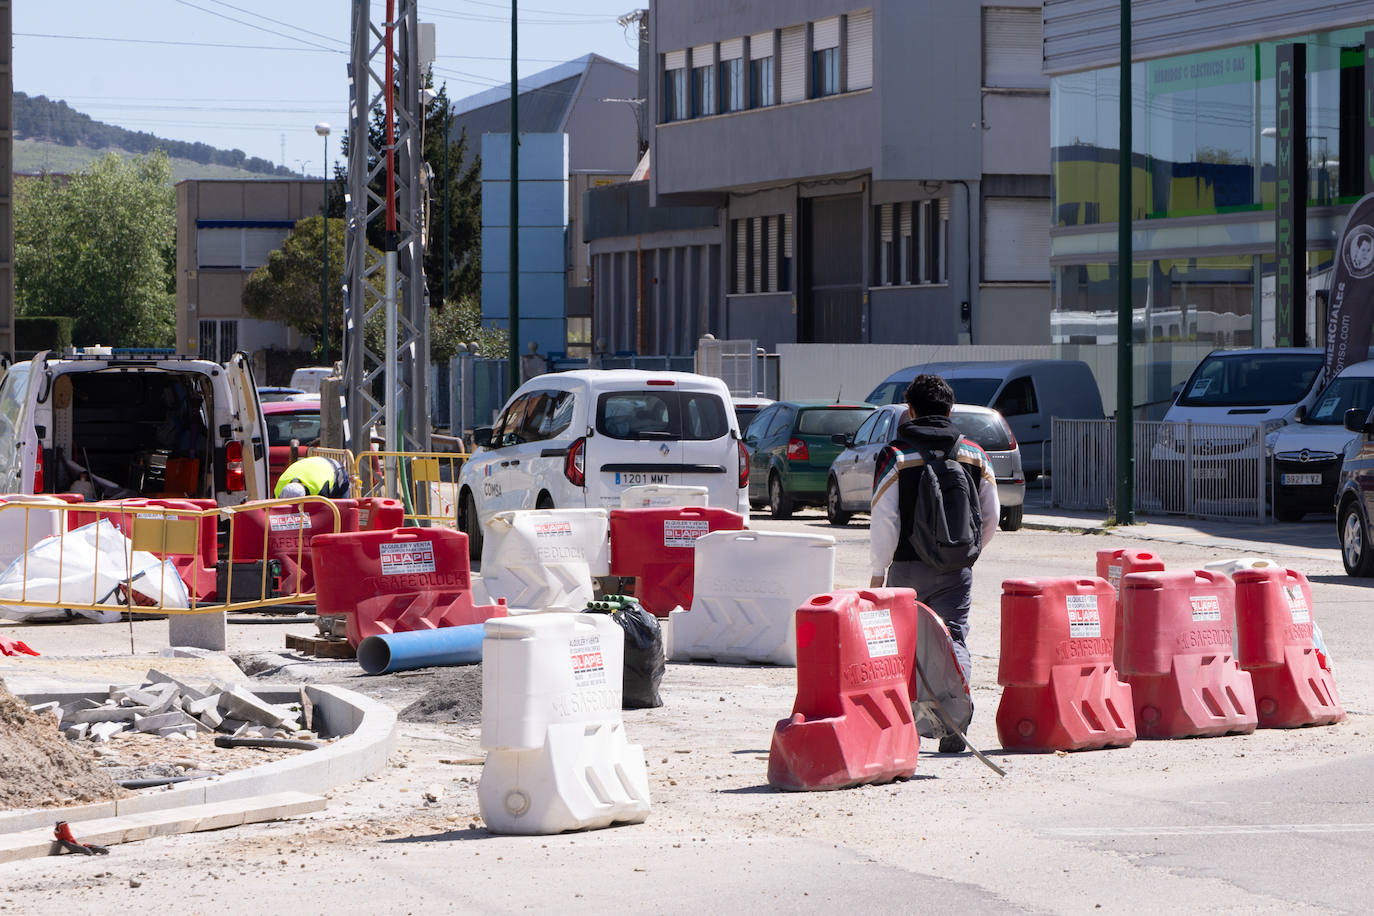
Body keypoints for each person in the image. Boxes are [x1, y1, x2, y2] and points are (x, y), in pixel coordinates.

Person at [869, 374, 999, 753]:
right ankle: (955, 722)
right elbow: (989, 516)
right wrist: (967, 552)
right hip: (956, 570)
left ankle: (905, 728)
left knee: (904, 647)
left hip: (907, 568)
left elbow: (885, 519)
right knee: (953, 637)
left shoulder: (895, 454)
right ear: (949, 409)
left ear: (910, 410)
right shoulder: (975, 454)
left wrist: (879, 573)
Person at [274, 454, 350, 499]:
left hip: (334, 468)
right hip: (313, 466)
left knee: (340, 513)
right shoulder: (278, 489)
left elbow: (321, 514)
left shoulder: (320, 490)